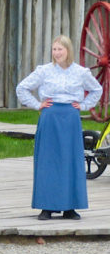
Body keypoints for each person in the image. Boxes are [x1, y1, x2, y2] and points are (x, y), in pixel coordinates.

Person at [15, 35, 102, 221]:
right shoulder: (44, 71)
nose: (56, 53)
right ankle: (46, 206)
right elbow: (21, 88)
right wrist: (37, 104)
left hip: (70, 118)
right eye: (54, 50)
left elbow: (97, 89)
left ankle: (70, 207)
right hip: (50, 117)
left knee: (70, 161)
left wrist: (85, 105)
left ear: (68, 50)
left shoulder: (81, 72)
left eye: (60, 49)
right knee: (48, 161)